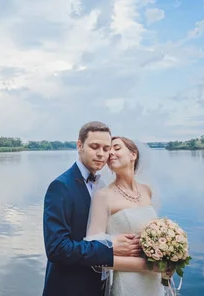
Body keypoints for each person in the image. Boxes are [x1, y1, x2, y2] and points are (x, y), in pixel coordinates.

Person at [42, 122, 142, 296]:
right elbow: (57, 249)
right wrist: (110, 248)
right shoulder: (60, 187)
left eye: (106, 148)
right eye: (94, 147)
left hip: (99, 287)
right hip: (68, 288)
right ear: (79, 145)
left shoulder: (102, 185)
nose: (101, 154)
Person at [86, 136, 168, 296]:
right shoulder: (103, 196)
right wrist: (147, 265)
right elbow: (95, 255)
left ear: (133, 154)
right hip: (128, 284)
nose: (110, 153)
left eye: (116, 148)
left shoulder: (147, 190)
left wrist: (167, 261)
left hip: (153, 282)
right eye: (109, 150)